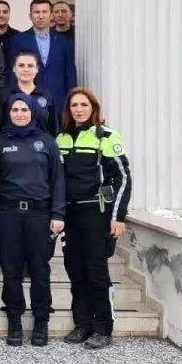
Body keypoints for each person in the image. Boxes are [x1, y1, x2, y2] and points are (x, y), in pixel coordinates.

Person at [0, 93, 66, 347]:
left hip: (39, 214)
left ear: (32, 112)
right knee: (11, 270)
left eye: (24, 109)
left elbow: (58, 180)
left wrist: (58, 213)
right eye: (15, 110)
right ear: (8, 113)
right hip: (8, 214)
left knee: (40, 270)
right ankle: (14, 319)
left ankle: (41, 320)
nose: (19, 114)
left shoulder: (47, 142)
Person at [57, 87, 132, 349]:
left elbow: (122, 179)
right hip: (71, 215)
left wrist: (118, 217)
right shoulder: (62, 139)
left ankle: (103, 328)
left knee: (96, 272)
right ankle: (82, 324)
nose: (79, 110)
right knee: (75, 271)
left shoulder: (106, 136)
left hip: (97, 214)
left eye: (84, 105)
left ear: (93, 109)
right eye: (74, 105)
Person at [8, 0, 77, 105]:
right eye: (36, 12)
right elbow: (12, 73)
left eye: (44, 12)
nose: (40, 16)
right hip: (28, 100)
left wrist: (72, 98)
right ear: (30, 16)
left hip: (58, 100)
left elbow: (70, 72)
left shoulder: (63, 41)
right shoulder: (18, 40)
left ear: (51, 16)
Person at [0, 51, 58, 136]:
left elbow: (54, 129)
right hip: (12, 147)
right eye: (21, 65)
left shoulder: (46, 95)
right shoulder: (5, 95)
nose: (26, 69)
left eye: (30, 66)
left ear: (37, 69)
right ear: (14, 68)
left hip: (41, 147)